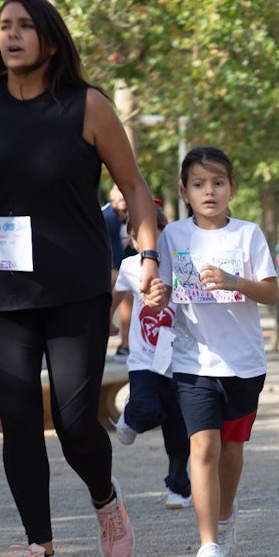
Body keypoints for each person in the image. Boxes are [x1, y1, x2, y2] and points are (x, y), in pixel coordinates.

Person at [0, 0, 164, 557]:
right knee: (18, 421)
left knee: (78, 419)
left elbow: (133, 187)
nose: (10, 36)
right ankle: (40, 551)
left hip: (75, 284)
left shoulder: (87, 107)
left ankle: (105, 498)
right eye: (4, 26)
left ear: (51, 41)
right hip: (0, 287)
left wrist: (148, 258)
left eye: (24, 27)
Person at [157, 146, 279, 557]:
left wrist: (235, 282)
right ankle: (208, 546)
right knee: (203, 448)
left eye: (218, 183)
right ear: (185, 192)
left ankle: (225, 516)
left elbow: (271, 293)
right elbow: (165, 289)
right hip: (193, 362)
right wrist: (157, 295)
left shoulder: (248, 235)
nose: (209, 191)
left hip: (244, 363)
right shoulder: (172, 236)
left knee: (231, 450)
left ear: (232, 189)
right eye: (198, 184)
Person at [112, 201, 192, 510]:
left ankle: (178, 488)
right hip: (145, 360)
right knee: (148, 411)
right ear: (132, 241)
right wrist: (109, 319)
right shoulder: (132, 266)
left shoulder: (181, 263)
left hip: (180, 360)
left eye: (155, 233)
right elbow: (118, 291)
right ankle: (130, 419)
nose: (147, 242)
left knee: (178, 429)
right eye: (137, 237)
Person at [104, 185, 136, 356]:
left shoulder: (129, 218)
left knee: (129, 284)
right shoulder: (108, 216)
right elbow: (116, 256)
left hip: (115, 267)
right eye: (118, 191)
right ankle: (106, 319)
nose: (123, 196)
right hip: (96, 268)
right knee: (124, 279)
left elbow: (131, 251)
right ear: (111, 194)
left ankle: (126, 344)